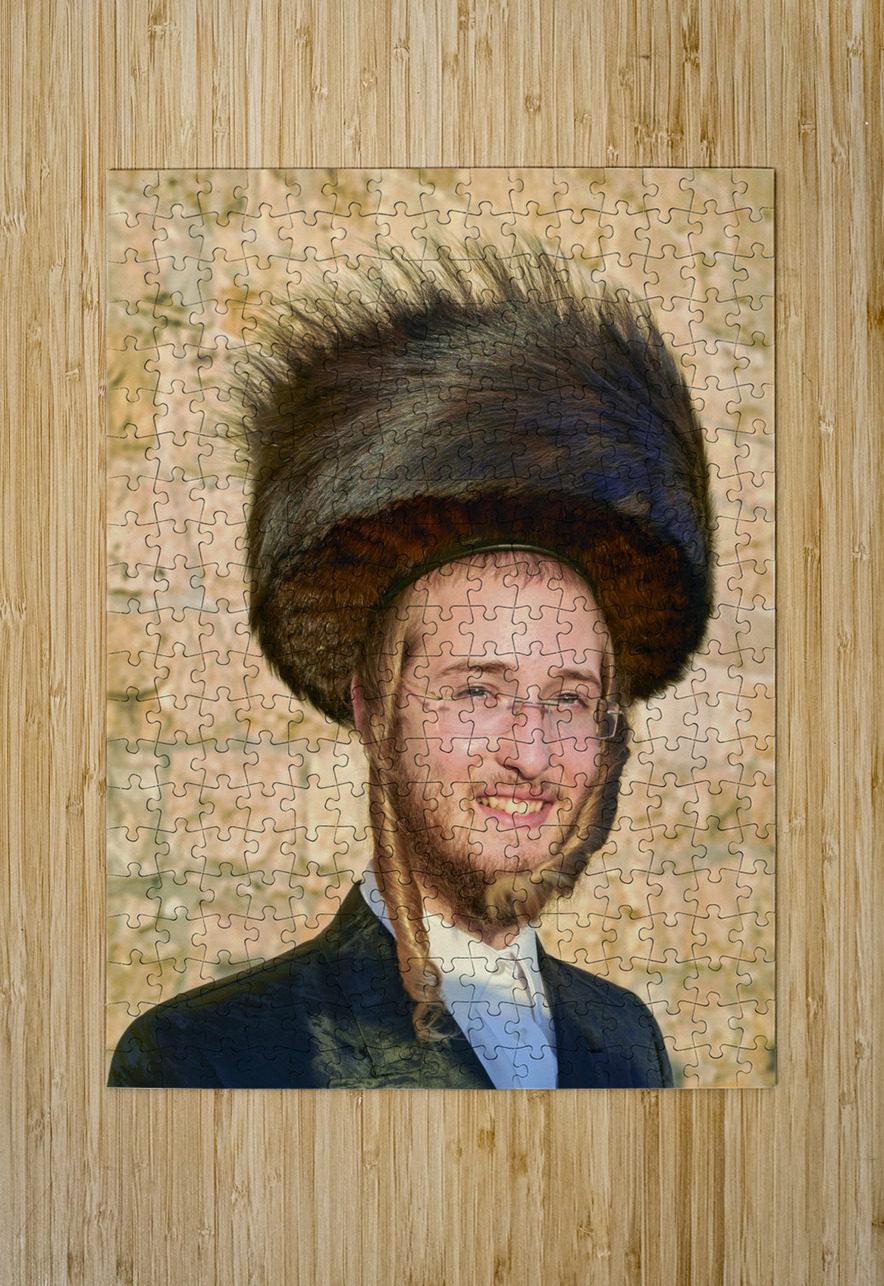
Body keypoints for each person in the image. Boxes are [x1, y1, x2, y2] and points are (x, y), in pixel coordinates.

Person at [109, 244, 714, 1088]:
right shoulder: (203, 1056)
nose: (531, 753)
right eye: (478, 690)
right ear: (374, 711)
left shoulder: (627, 1038)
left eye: (571, 700)